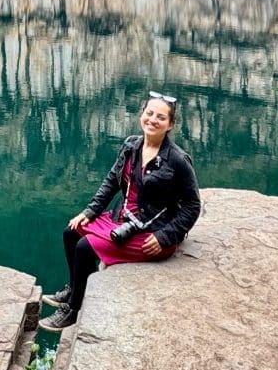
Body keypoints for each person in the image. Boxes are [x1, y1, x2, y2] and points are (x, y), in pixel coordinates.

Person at [38, 91, 201, 332]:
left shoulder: (177, 159)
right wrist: (90, 211)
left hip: (152, 233)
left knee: (86, 246)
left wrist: (167, 236)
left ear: (170, 125)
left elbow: (192, 205)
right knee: (72, 231)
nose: (153, 120)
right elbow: (112, 181)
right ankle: (75, 287)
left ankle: (73, 310)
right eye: (149, 113)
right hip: (124, 219)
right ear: (141, 115)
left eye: (161, 117)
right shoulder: (131, 146)